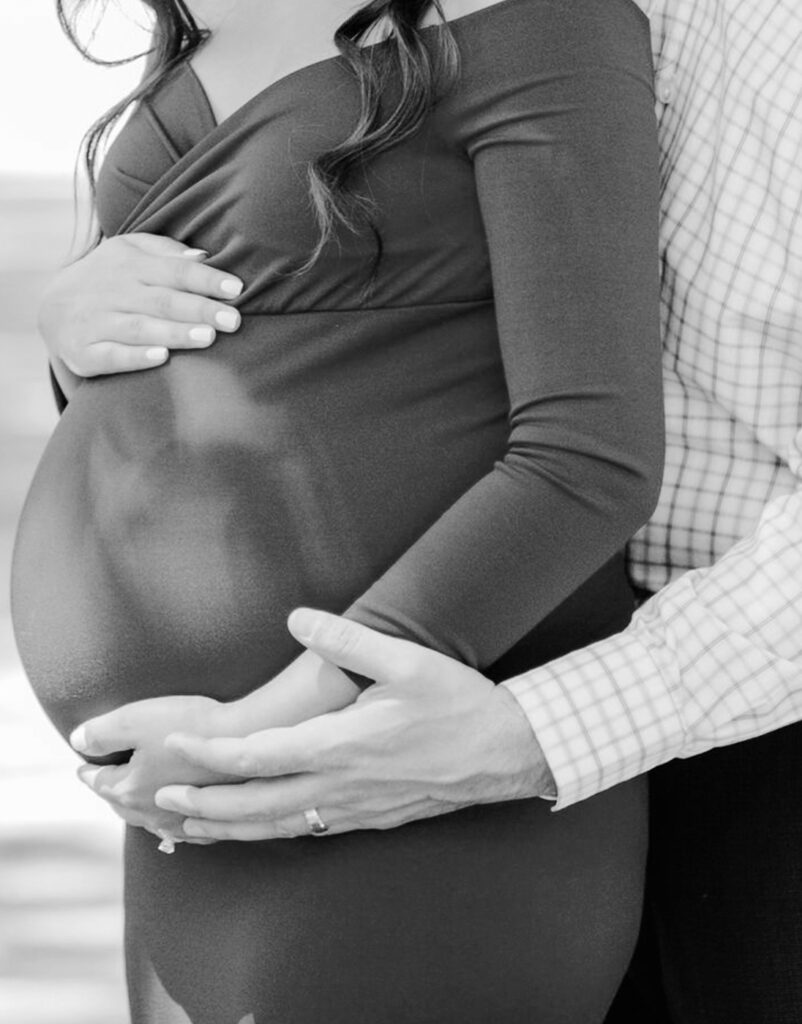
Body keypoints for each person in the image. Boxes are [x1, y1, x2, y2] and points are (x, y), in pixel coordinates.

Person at [111, 1, 802, 1021]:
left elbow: (584, 456)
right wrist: (83, 324)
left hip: (725, 727)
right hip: (393, 711)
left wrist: (539, 729)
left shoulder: (758, 39)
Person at [12, 0, 664, 1021]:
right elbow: (226, 340)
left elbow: (589, 459)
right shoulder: (222, 8)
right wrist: (69, 333)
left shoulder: (543, 21)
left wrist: (275, 729)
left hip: (391, 770)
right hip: (192, 798)